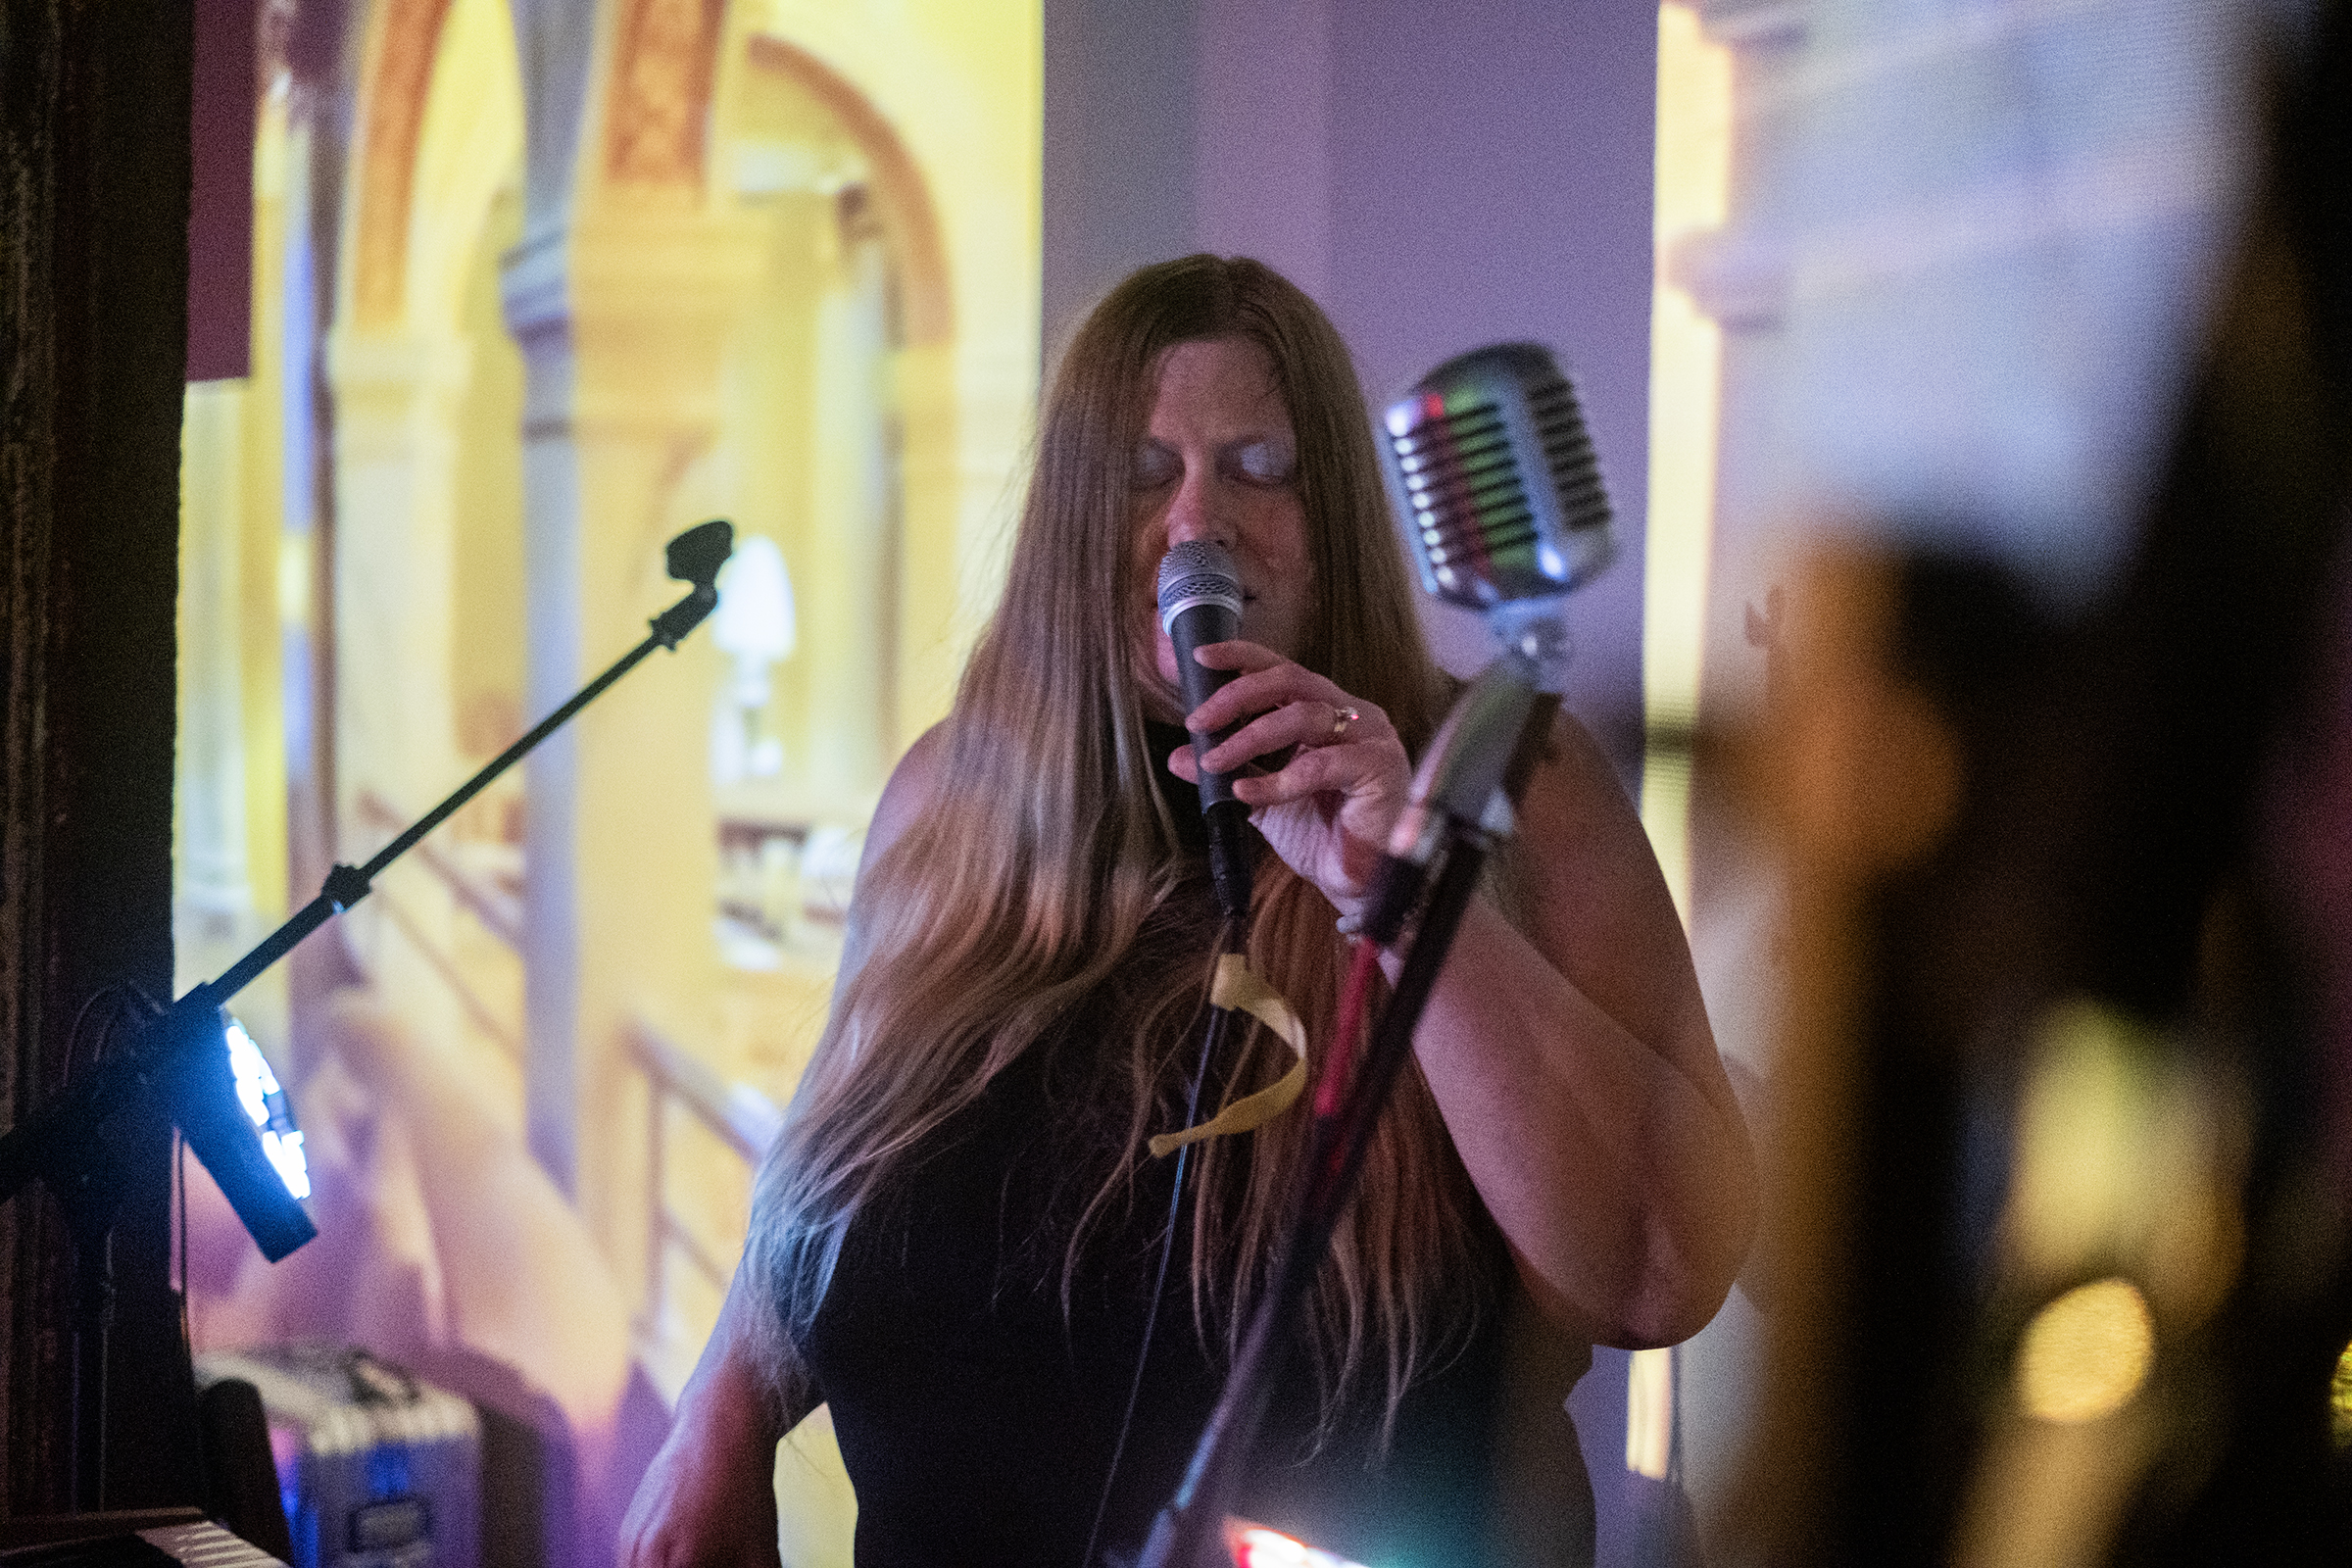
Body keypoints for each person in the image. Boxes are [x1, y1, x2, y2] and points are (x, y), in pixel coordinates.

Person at [620, 255, 1756, 1568]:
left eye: (1258, 465)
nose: (1195, 521)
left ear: (1333, 514)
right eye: (1143, 472)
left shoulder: (1513, 783)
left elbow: (1662, 1272)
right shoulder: (954, 794)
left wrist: (1400, 893)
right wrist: (726, 1405)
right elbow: (842, 1159)